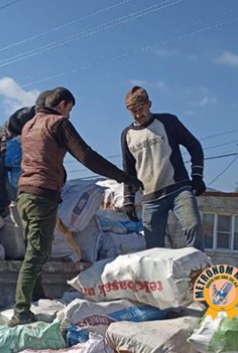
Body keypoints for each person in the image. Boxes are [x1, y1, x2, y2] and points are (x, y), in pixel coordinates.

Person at [9, 88, 142, 326]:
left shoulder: (29, 125)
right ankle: (21, 311)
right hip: (42, 195)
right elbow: (87, 156)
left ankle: (36, 298)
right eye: (69, 109)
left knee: (33, 249)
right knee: (37, 252)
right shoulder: (58, 124)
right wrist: (124, 177)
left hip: (24, 195)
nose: (70, 115)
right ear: (63, 104)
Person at [121, 86, 206, 251]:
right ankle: (158, 277)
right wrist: (129, 199)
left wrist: (197, 175)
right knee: (153, 247)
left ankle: (199, 271)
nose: (139, 115)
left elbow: (194, 146)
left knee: (193, 226)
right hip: (151, 198)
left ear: (149, 104)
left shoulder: (168, 121)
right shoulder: (127, 135)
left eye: (141, 109)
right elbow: (128, 170)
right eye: (134, 112)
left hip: (178, 190)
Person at [0, 106, 36, 218]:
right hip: (5, 138)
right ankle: (1, 208)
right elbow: (11, 126)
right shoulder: (28, 115)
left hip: (18, 143)